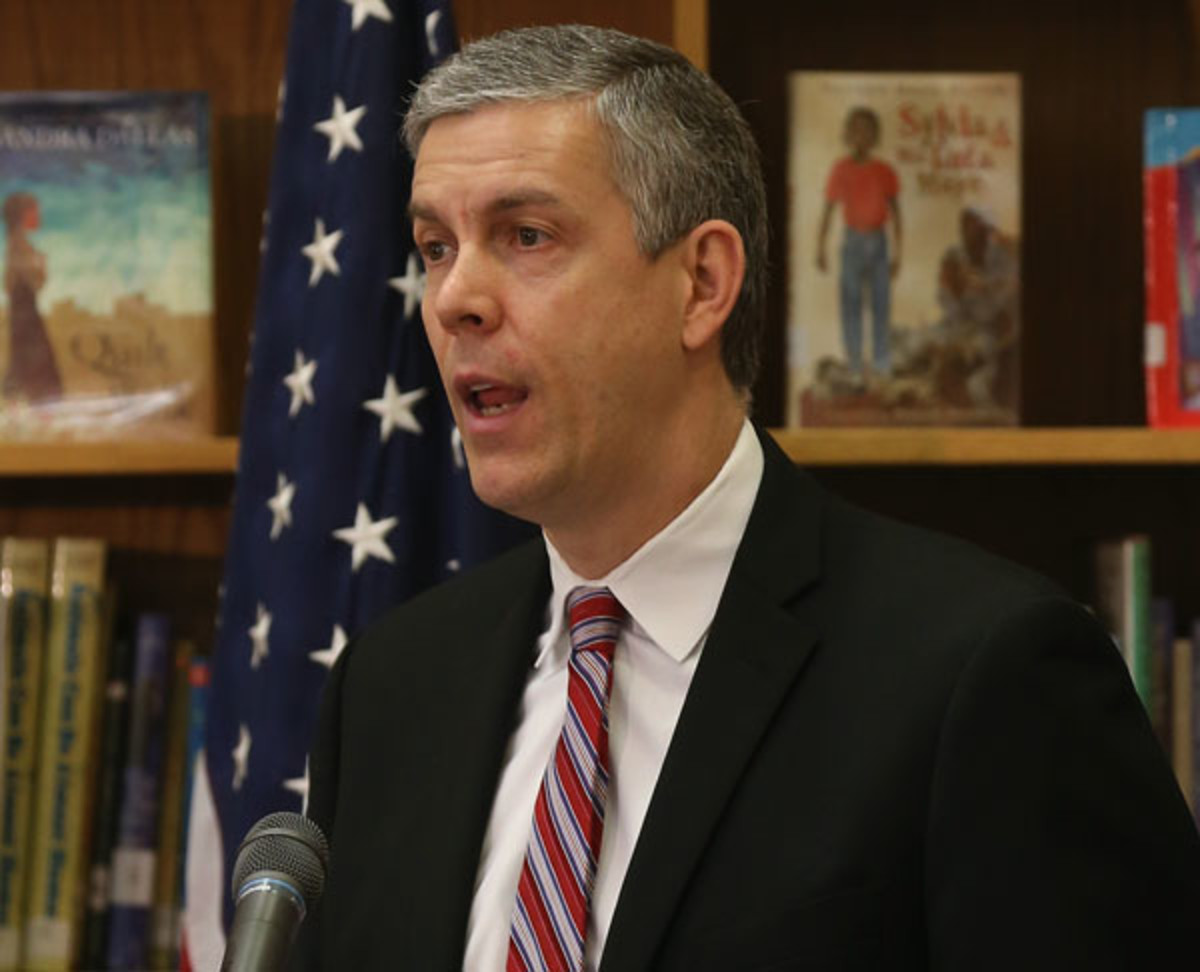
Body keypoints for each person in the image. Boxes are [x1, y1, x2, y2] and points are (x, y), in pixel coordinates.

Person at [293, 24, 1200, 972]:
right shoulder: (389, 687)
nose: (454, 300)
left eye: (527, 236)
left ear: (702, 283)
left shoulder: (988, 674)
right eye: (436, 247)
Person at [815, 106, 902, 381]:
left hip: (879, 243)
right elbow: (828, 210)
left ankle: (881, 364)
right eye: (856, 130)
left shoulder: (884, 171)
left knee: (880, 304)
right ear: (848, 134)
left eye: (868, 130)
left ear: (875, 135)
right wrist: (820, 246)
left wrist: (898, 253)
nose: (862, 136)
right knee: (851, 304)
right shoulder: (841, 169)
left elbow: (897, 214)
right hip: (852, 244)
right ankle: (854, 365)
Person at [935, 205, 1018, 409]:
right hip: (964, 328)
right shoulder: (954, 256)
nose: (970, 234)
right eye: (966, 227)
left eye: (978, 229)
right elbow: (946, 299)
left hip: (995, 331)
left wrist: (985, 286)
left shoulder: (1001, 256)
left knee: (983, 370)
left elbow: (1008, 293)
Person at [2, 191, 62, 403]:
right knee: (33, 354)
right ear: (21, 215)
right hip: (24, 309)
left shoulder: (18, 244)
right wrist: (40, 265)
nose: (38, 216)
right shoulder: (19, 245)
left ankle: (21, 398)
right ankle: (35, 400)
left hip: (24, 309)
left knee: (25, 355)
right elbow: (26, 281)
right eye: (33, 212)